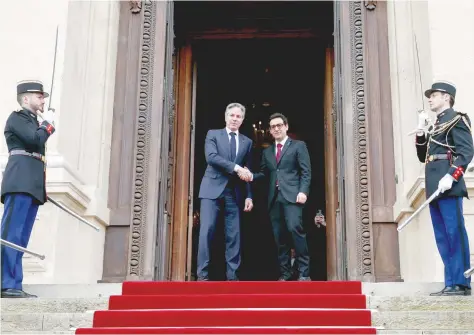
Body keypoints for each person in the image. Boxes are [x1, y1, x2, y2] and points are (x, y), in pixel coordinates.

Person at [415, 81, 473, 296]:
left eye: (434, 95)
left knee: (454, 233)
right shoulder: (436, 124)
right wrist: (421, 131)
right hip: (434, 186)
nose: (430, 98)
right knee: (442, 236)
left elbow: (466, 152)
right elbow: (424, 157)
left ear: (446, 97)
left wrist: (452, 175)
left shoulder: (457, 120)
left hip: (448, 185)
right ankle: (451, 282)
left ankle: (462, 282)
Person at [1, 80, 56, 298]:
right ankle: (6, 283)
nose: (43, 100)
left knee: (21, 238)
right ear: (26, 98)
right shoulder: (17, 118)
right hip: (19, 182)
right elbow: (35, 140)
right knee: (11, 234)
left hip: (31, 185)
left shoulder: (34, 121)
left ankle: (15, 283)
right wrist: (48, 125)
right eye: (39, 96)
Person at [241, 113, 311, 281]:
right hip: (274, 199)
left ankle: (304, 273)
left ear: (286, 126)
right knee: (279, 237)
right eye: (273, 127)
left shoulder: (298, 146)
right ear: (270, 131)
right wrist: (251, 176)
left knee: (295, 230)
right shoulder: (267, 152)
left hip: (293, 197)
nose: (277, 128)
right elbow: (265, 174)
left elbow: (306, 172)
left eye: (279, 125)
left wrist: (303, 191)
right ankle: (285, 273)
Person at [197, 102, 253, 281]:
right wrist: (236, 168)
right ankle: (202, 276)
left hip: (234, 193)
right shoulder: (213, 134)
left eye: (238, 116)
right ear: (225, 116)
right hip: (211, 190)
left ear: (242, 119)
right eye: (232, 115)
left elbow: (247, 170)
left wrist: (249, 195)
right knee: (207, 232)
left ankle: (232, 277)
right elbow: (211, 158)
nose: (235, 119)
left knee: (234, 236)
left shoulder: (247, 142)